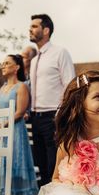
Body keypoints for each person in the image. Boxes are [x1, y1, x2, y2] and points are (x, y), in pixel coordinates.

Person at [0, 54, 38, 195]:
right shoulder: (2, 88)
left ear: (17, 67)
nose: (3, 66)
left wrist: (3, 123)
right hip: (2, 134)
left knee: (15, 164)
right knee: (2, 165)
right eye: (2, 63)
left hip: (16, 132)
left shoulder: (22, 87)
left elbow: (20, 112)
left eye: (7, 63)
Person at [28, 13, 76, 186]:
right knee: (40, 162)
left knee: (53, 164)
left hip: (53, 116)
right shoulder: (34, 61)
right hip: (36, 117)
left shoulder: (60, 53)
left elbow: (70, 84)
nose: (30, 29)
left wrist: (60, 113)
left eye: (34, 26)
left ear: (46, 30)